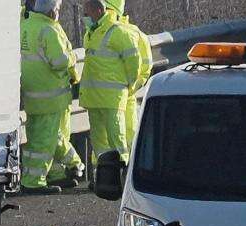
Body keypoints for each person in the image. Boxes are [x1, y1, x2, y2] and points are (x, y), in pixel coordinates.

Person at [20, 0, 85, 194]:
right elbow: (60, 61)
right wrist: (73, 57)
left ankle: (56, 174)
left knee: (42, 139)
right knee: (46, 140)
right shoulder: (49, 30)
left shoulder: (26, 25)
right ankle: (34, 181)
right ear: (51, 10)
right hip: (52, 97)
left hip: (34, 96)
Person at [79, 0, 143, 164]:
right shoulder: (91, 32)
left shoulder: (118, 32)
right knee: (99, 141)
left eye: (87, 13)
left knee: (117, 139)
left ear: (99, 10)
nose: (84, 17)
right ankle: (103, 174)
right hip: (94, 98)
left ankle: (122, 172)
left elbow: (134, 62)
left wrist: (129, 84)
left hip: (112, 99)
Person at [117, 3, 153, 149]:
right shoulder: (93, 34)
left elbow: (144, 68)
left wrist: (129, 88)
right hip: (104, 101)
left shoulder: (132, 34)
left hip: (123, 97)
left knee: (128, 135)